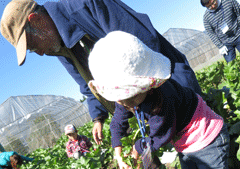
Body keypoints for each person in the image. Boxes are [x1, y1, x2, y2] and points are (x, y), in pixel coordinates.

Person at [88, 31, 240, 169]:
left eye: (128, 98)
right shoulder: (127, 98)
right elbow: (118, 120)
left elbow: (162, 136)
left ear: (147, 86)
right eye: (119, 99)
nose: (123, 104)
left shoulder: (162, 100)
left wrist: (138, 148)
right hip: (186, 144)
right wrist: (117, 150)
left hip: (206, 138)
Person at [1, 0, 202, 146]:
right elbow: (86, 84)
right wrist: (98, 118)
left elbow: (144, 43)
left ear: (36, 20)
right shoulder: (59, 47)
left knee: (203, 141)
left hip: (170, 85)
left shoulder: (84, 6)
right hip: (140, 105)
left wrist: (145, 100)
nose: (40, 53)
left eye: (33, 45)